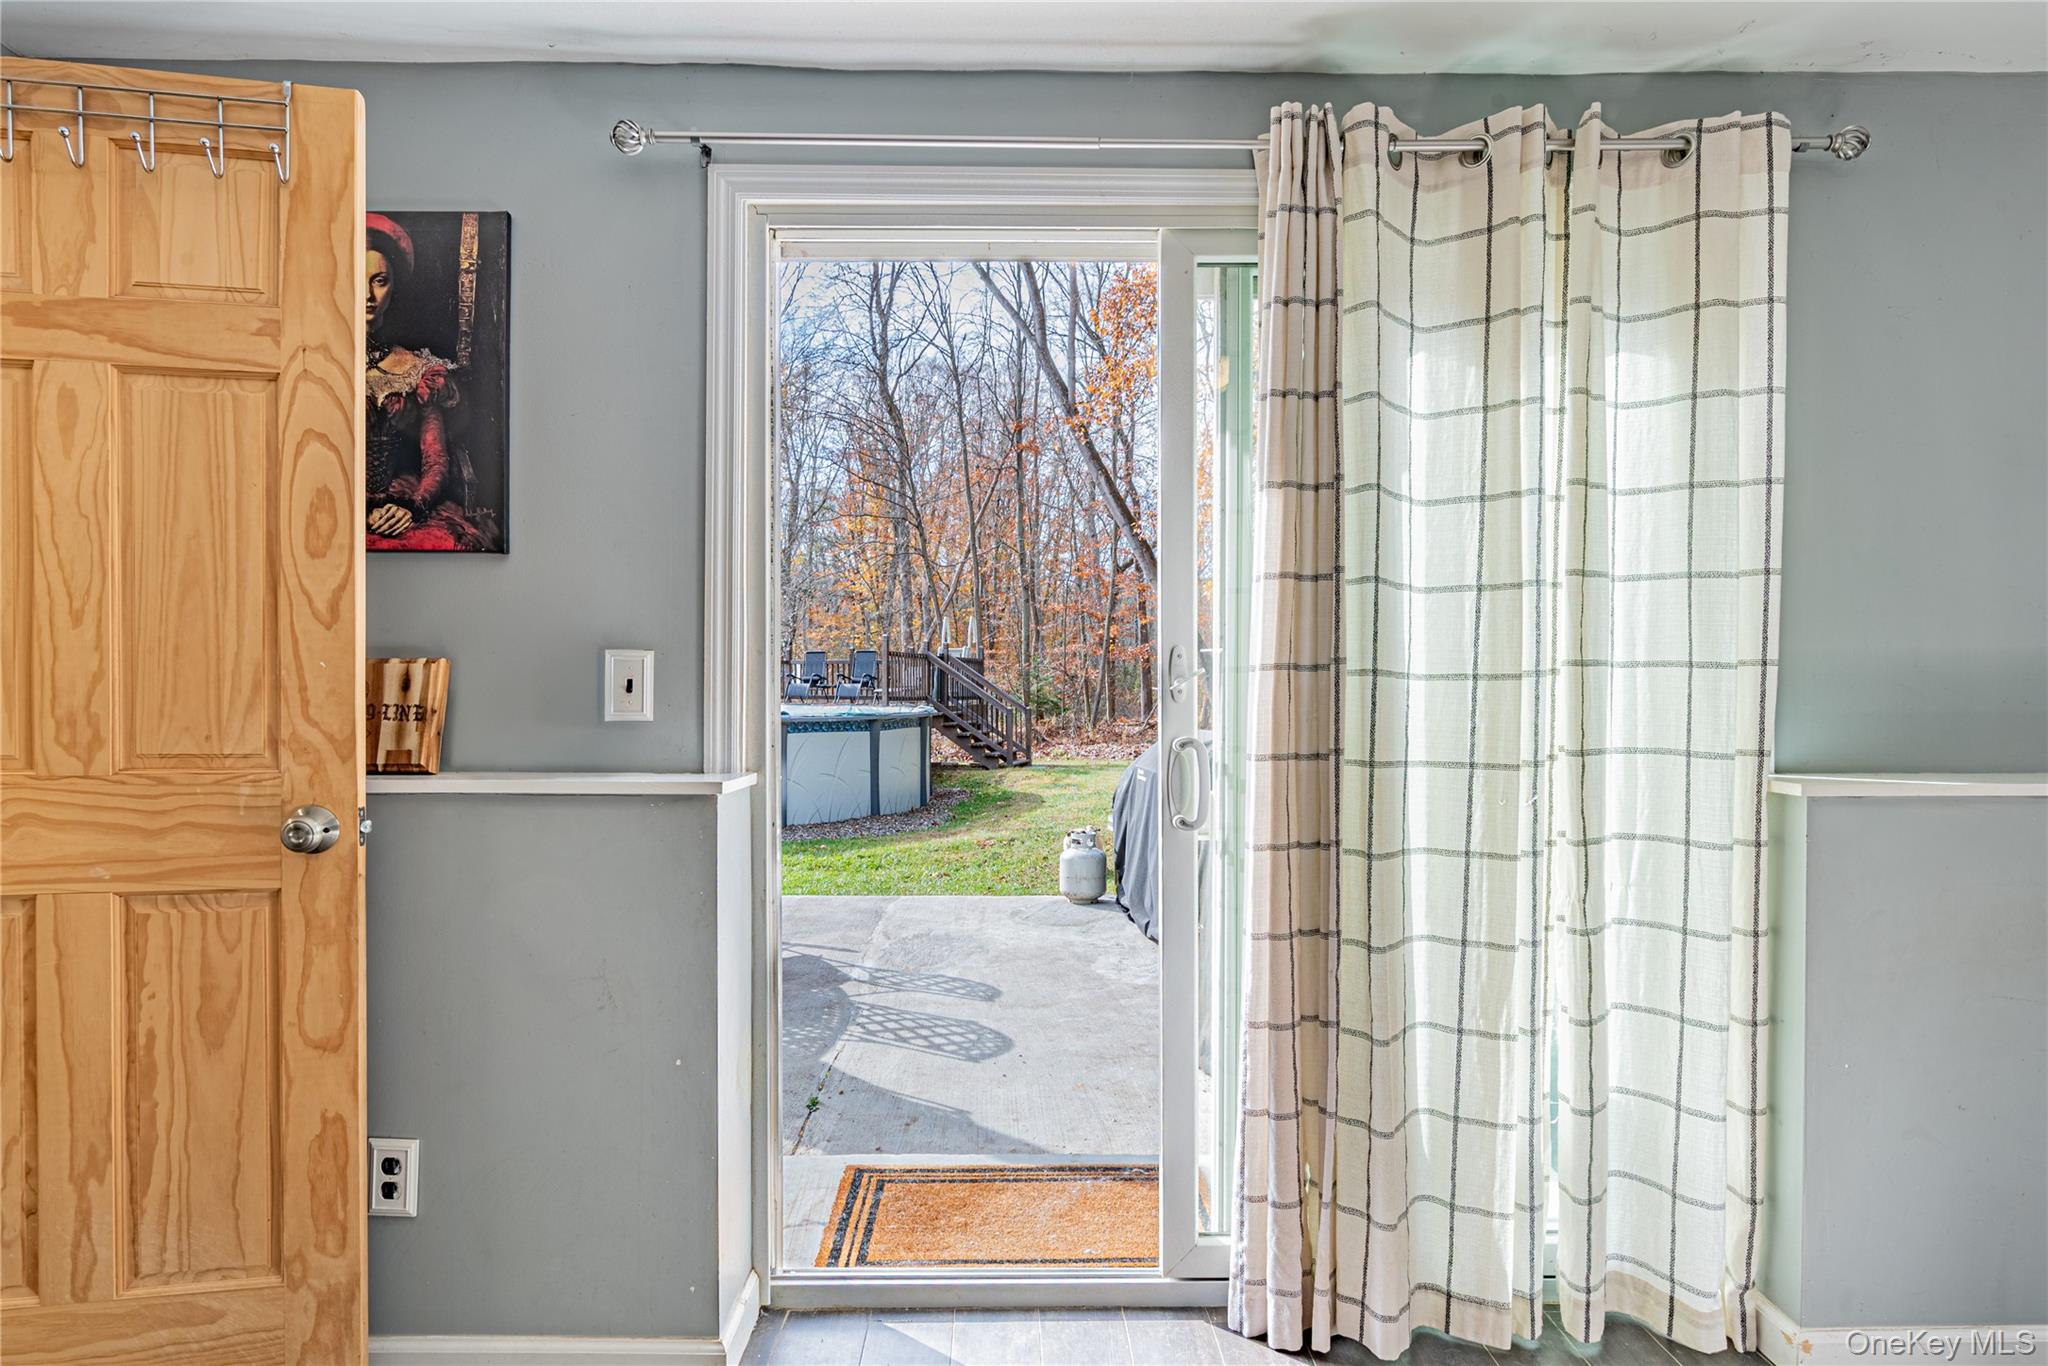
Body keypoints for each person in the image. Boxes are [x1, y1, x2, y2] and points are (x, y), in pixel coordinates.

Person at [364, 212, 493, 550]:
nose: (367, 295)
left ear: (393, 289)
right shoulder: (315, 361)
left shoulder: (415, 369)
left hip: (398, 502)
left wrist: (411, 506)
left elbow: (435, 461)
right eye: (355, 278)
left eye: (379, 280)